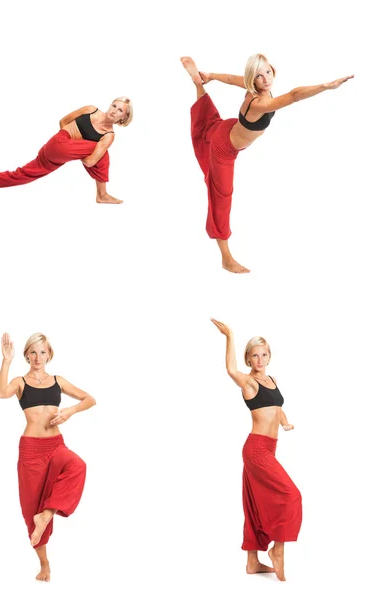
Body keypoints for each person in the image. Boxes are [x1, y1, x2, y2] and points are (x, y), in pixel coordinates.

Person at [181, 55, 353, 273]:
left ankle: (198, 80)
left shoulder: (254, 87)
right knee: (221, 198)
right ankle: (226, 258)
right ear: (253, 79)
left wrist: (211, 76)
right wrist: (325, 86)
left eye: (267, 73)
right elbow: (293, 95)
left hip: (228, 129)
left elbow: (233, 79)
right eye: (258, 76)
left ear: (273, 69)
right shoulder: (261, 102)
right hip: (224, 150)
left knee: (208, 121)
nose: (265, 80)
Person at [0, 332, 96, 582]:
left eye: (42, 351)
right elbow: (0, 393)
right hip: (30, 450)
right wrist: (6, 360)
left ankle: (47, 514)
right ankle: (44, 564)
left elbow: (90, 399)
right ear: (27, 355)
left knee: (77, 466)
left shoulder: (58, 381)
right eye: (33, 352)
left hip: (55, 445)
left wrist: (70, 411)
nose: (37, 357)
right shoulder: (20, 382)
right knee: (31, 509)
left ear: (49, 354)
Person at [211, 319, 301, 581]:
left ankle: (252, 561)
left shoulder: (271, 380)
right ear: (248, 359)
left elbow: (276, 407)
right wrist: (229, 335)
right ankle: (277, 550)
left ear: (269, 356)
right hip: (257, 449)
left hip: (269, 449)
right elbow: (229, 369)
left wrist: (285, 422)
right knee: (291, 495)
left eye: (263, 354)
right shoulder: (249, 383)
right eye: (254, 355)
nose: (259, 359)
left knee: (254, 502)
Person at [0, 97, 133, 204]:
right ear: (109, 105)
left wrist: (73, 149)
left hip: (56, 156)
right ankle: (102, 195)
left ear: (123, 117)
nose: (114, 111)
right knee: (103, 153)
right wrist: (73, 147)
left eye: (119, 110)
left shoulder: (108, 134)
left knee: (19, 175)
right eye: (113, 105)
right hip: (57, 143)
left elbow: (90, 162)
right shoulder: (90, 110)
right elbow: (63, 123)